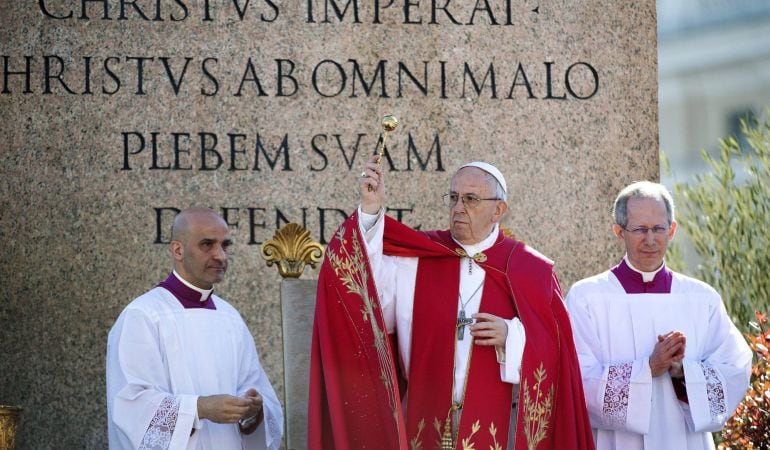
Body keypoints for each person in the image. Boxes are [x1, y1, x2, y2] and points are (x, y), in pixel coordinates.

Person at [309, 156, 594, 450]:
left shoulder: (530, 270)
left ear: (499, 210)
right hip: (423, 420)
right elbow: (368, 295)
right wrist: (370, 211)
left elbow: (558, 352)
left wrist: (512, 335)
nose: (459, 208)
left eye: (471, 199)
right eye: (454, 198)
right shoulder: (418, 259)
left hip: (502, 429)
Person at [565, 181, 752, 450]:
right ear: (619, 232)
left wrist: (683, 373)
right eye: (640, 229)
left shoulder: (701, 298)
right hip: (616, 442)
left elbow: (735, 368)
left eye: (658, 229)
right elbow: (576, 379)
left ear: (672, 230)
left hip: (686, 440)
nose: (650, 239)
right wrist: (647, 369)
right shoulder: (587, 298)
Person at [106, 207, 283, 450]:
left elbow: (255, 388)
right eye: (207, 244)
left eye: (225, 245)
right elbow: (131, 406)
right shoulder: (143, 316)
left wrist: (253, 408)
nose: (220, 255)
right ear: (177, 250)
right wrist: (201, 408)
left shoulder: (229, 317)